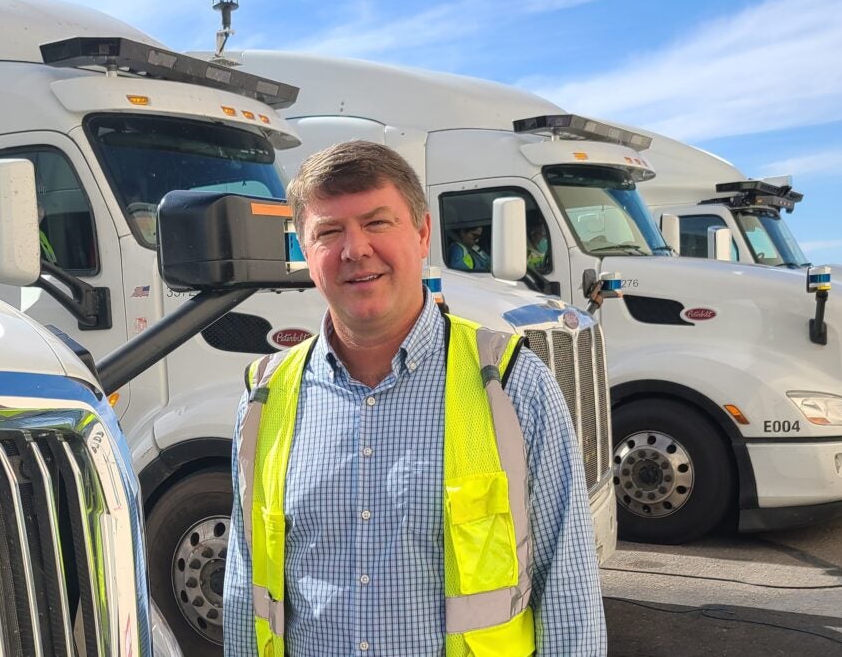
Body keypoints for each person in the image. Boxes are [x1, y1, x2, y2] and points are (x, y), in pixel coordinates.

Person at [223, 140, 605, 656]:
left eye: (377, 223)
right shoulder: (264, 398)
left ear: (423, 233)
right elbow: (247, 588)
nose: (355, 249)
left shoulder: (512, 384)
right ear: (304, 252)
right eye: (329, 232)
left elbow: (567, 588)